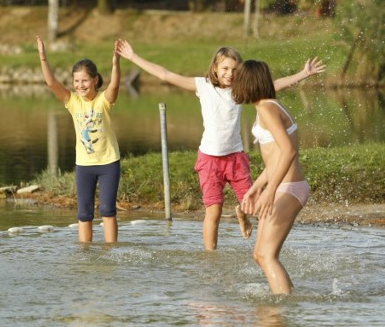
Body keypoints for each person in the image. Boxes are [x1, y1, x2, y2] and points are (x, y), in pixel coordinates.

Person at [115, 40, 324, 250]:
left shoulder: (241, 90)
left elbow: (274, 85)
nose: (229, 74)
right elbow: (166, 75)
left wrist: (303, 74)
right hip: (209, 160)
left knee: (254, 205)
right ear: (215, 67)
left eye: (235, 69)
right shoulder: (203, 86)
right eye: (225, 68)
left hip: (235, 158)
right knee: (213, 211)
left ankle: (244, 217)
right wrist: (133, 57)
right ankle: (210, 256)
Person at [231, 60, 309, 294]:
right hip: (285, 185)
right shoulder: (270, 105)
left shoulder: (266, 109)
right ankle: (288, 298)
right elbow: (275, 159)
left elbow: (288, 151)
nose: (234, 83)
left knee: (266, 255)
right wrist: (257, 188)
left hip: (288, 187)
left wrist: (271, 191)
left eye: (237, 78)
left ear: (247, 83)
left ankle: (282, 311)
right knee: (260, 255)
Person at [37, 36, 121, 243]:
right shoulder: (72, 101)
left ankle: (110, 251)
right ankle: (85, 252)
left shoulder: (103, 101)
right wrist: (43, 58)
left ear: (94, 80)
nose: (80, 85)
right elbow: (51, 83)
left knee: (107, 210)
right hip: (84, 165)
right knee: (84, 213)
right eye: (76, 81)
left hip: (108, 163)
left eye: (84, 80)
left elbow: (114, 86)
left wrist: (115, 63)